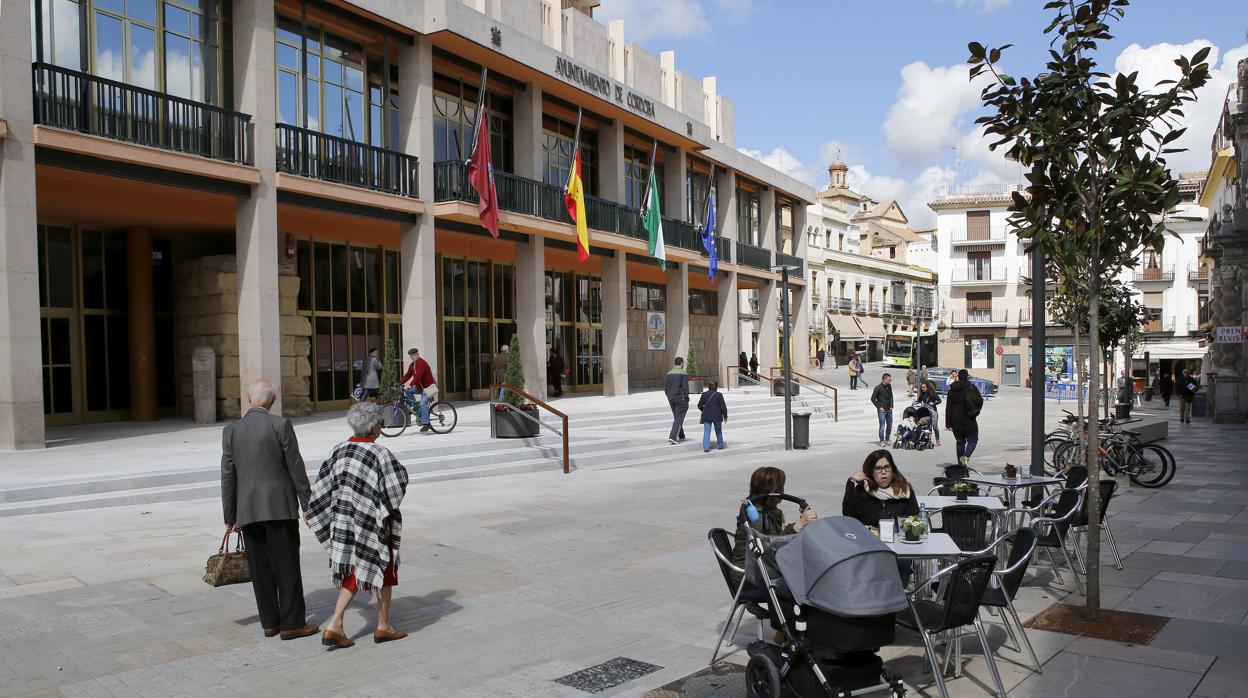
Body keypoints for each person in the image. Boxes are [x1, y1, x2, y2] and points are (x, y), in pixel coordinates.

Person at [220, 378, 318, 641]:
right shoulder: (281, 425)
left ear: (249, 398)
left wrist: (230, 515)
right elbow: (296, 469)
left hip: (248, 510)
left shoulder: (231, 430)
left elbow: (228, 475)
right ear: (273, 400)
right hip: (280, 508)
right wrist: (309, 506)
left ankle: (270, 623)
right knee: (286, 567)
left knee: (260, 570)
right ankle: (293, 624)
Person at [307, 402, 410, 649]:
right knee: (384, 570)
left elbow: (321, 487)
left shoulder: (338, 450)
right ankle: (375, 626)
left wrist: (318, 513)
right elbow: (398, 485)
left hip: (344, 522)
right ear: (375, 427)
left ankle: (342, 624)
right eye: (380, 424)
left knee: (353, 570)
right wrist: (381, 506)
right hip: (372, 523)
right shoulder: (380, 454)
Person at [729, 466, 818, 589]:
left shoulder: (766, 510)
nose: (782, 491)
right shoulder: (755, 517)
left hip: (763, 569)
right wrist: (797, 526)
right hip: (749, 575)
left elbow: (773, 538)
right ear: (773, 490)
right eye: (781, 487)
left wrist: (795, 525)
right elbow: (767, 548)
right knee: (803, 583)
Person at [842, 450, 919, 584]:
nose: (883, 472)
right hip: (869, 548)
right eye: (878, 468)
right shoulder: (862, 491)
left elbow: (914, 518)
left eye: (886, 467)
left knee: (900, 570)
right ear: (870, 471)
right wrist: (852, 482)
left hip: (899, 550)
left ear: (892, 469)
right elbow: (848, 515)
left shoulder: (904, 490)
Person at [945, 369, 984, 466]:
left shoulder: (952, 389)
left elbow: (948, 408)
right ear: (967, 376)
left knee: (960, 442)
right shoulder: (972, 387)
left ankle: (960, 465)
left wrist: (948, 423)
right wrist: (976, 411)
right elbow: (979, 400)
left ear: (958, 377)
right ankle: (965, 459)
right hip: (969, 419)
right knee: (973, 440)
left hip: (955, 420)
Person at [399, 348, 436, 432]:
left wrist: (409, 385)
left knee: (423, 404)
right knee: (408, 391)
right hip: (420, 387)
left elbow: (417, 377)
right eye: (411, 356)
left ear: (418, 354)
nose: (412, 357)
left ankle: (426, 424)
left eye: (414, 355)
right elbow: (407, 375)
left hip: (428, 388)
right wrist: (399, 383)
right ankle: (415, 407)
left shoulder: (421, 363)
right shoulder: (412, 365)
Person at [698, 379, 728, 452]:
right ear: (716, 387)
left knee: (706, 431)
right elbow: (723, 407)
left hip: (707, 415)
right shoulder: (719, 395)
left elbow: (699, 405)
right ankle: (720, 445)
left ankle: (706, 447)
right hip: (717, 415)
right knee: (718, 430)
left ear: (708, 387)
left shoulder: (704, 394)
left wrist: (704, 410)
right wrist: (725, 416)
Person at [665, 356, 689, 444]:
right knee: (679, 417)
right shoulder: (683, 373)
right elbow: (685, 388)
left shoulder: (668, 373)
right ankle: (673, 437)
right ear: (682, 363)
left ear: (675, 363)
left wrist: (669, 396)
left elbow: (666, 388)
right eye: (683, 363)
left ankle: (681, 435)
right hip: (680, 399)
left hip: (671, 398)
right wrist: (686, 397)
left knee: (677, 417)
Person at [916, 379, 942, 447]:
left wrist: (933, 403)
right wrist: (916, 403)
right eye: (922, 387)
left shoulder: (933, 393)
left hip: (933, 412)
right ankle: (927, 439)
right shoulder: (922, 394)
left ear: (927, 387)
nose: (922, 388)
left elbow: (939, 400)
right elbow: (918, 401)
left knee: (935, 427)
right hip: (925, 412)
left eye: (924, 387)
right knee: (927, 426)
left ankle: (938, 440)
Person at [871, 373, 894, 446]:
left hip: (889, 409)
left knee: (889, 425)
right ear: (884, 379)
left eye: (890, 380)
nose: (890, 381)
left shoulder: (889, 386)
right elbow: (873, 398)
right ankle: (882, 440)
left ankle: (887, 439)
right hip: (882, 411)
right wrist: (879, 407)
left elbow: (891, 396)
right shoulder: (878, 388)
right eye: (889, 380)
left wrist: (891, 405)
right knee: (882, 426)